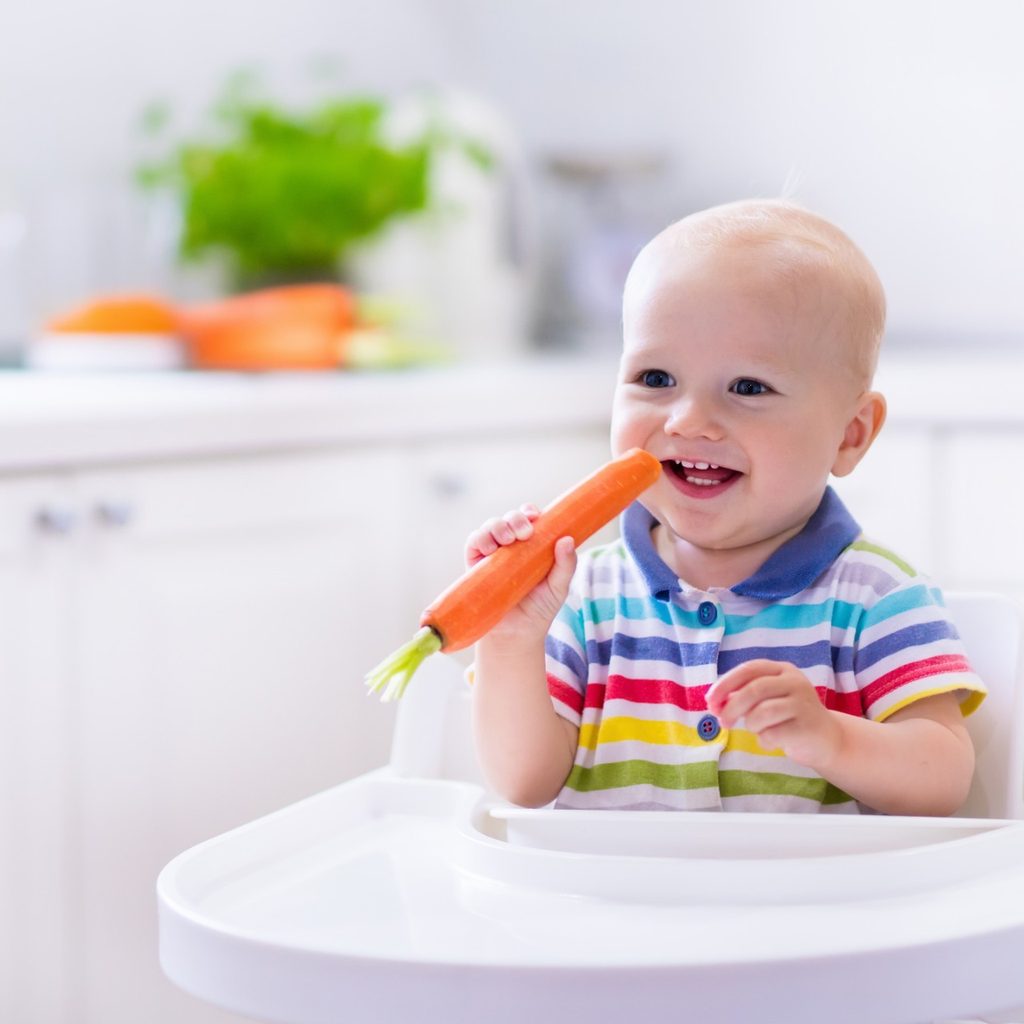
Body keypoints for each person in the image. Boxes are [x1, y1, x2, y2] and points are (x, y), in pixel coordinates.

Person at [468, 198, 985, 814]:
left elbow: (944, 781)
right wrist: (507, 640)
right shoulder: (580, 598)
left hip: (809, 909)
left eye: (748, 387)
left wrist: (831, 737)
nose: (689, 420)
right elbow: (523, 785)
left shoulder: (876, 597)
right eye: (656, 379)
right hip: (613, 908)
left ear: (849, 435)